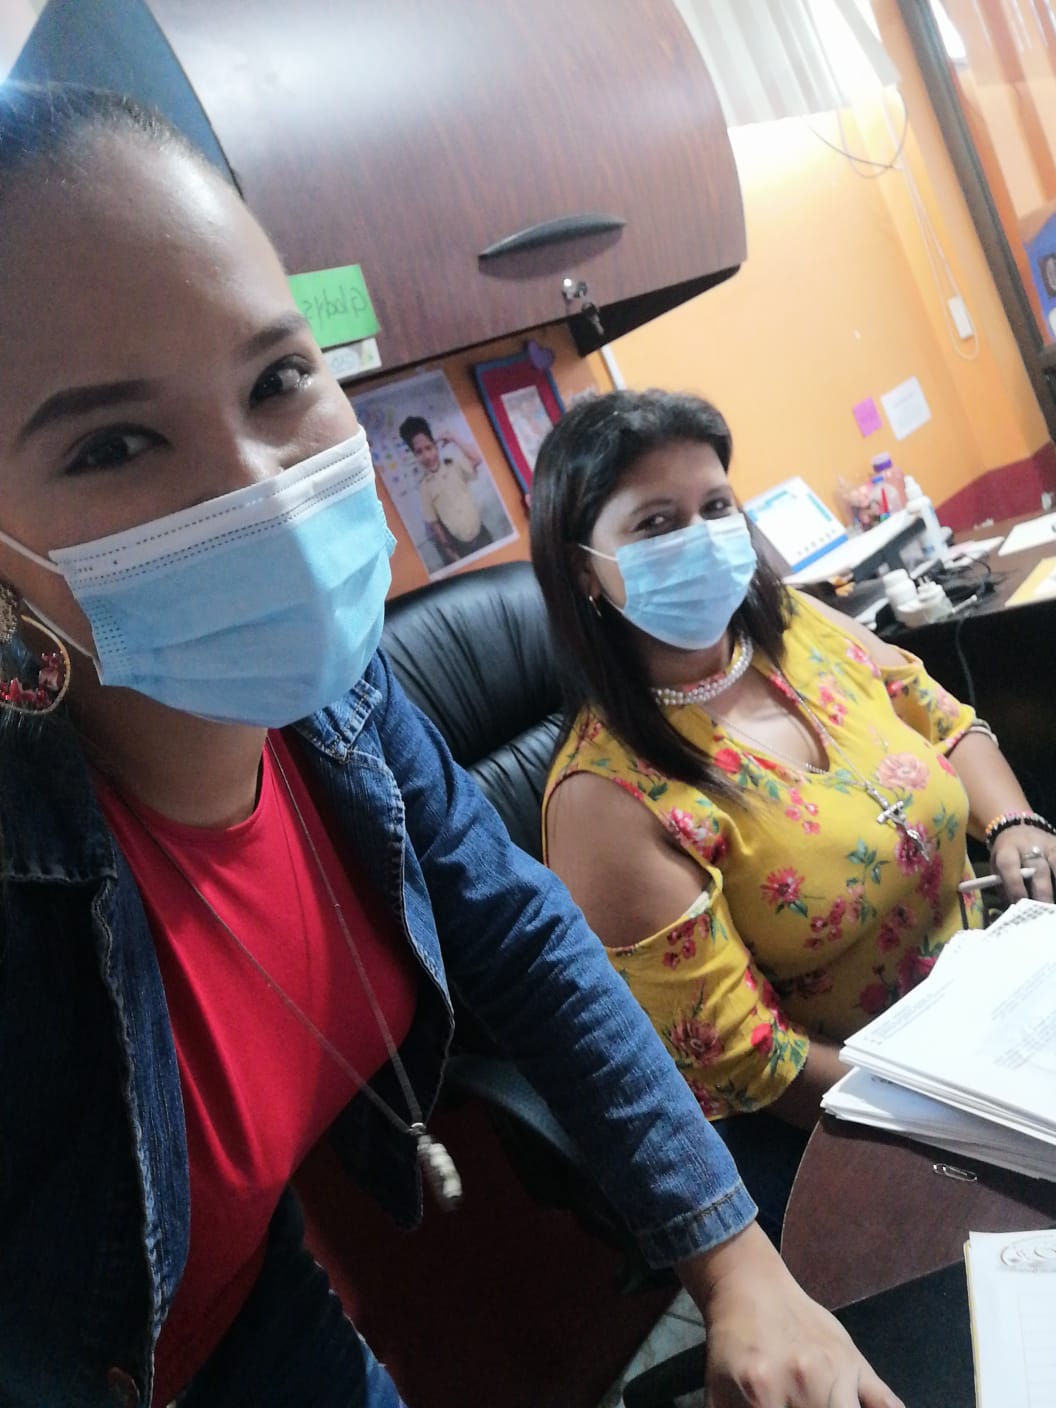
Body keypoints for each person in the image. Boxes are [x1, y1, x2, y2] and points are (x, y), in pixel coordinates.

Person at [0, 84, 905, 1408]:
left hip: (253, 1315)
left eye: (279, 377)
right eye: (114, 444)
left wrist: (735, 1260)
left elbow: (522, 937)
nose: (259, 487)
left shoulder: (345, 704)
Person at [530, 389, 1056, 1234]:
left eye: (715, 507)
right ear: (585, 567)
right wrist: (965, 1108)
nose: (701, 537)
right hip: (860, 1111)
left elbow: (942, 720)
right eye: (657, 523)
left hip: (993, 1003)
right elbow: (754, 1062)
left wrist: (1014, 826)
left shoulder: (798, 626)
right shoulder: (606, 799)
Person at [398, 413, 493, 564]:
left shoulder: (454, 466)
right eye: (419, 452)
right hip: (460, 545)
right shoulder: (424, 487)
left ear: (436, 446)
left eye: (429, 448)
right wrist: (449, 549)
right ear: (414, 455)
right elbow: (434, 522)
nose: (427, 456)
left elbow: (476, 459)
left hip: (482, 533)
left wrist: (453, 438)